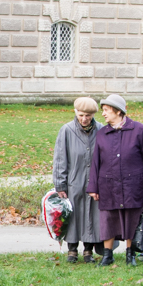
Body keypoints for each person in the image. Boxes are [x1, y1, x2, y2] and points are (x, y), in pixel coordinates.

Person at [86, 94, 143, 267]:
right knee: (108, 219)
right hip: (108, 184)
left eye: (106, 110)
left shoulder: (139, 130)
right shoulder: (102, 134)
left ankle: (130, 254)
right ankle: (107, 255)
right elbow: (96, 162)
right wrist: (93, 187)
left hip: (133, 184)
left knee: (132, 218)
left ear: (118, 111)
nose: (103, 114)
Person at [51, 97, 103, 263]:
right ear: (75, 112)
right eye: (81, 115)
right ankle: (72, 250)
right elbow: (60, 159)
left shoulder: (101, 130)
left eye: (88, 115)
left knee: (91, 215)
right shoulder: (66, 130)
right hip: (74, 181)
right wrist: (60, 184)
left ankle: (88, 250)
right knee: (73, 216)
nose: (84, 119)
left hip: (94, 182)